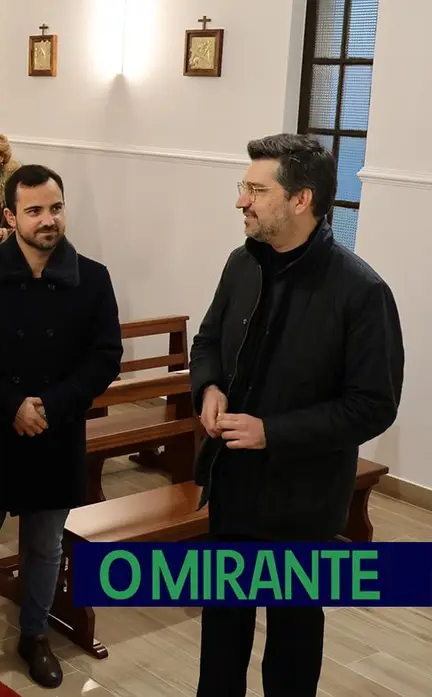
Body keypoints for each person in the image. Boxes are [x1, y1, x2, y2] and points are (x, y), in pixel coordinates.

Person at [190, 133, 404, 697]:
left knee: (292, 644)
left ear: (301, 200)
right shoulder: (241, 264)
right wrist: (208, 386)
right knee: (222, 637)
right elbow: (208, 340)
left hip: (302, 500)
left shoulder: (361, 292)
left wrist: (272, 433)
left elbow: (373, 405)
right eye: (245, 188)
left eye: (256, 190)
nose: (243, 201)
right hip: (233, 485)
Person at [0, 164, 122, 687]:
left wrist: (51, 404)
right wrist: (11, 404)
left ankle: (34, 633)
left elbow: (105, 356)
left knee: (46, 544)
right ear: (10, 216)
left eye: (56, 208)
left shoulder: (92, 277)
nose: (49, 220)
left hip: (57, 430)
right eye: (35, 211)